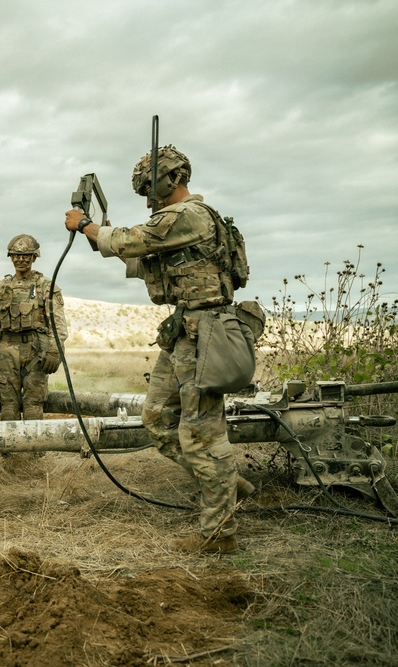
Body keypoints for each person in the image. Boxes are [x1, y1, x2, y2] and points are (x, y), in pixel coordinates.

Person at [64, 145, 256, 554]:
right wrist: (104, 237)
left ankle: (219, 535)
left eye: (150, 186)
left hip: (205, 336)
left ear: (174, 178)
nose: (147, 196)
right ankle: (224, 483)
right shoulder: (179, 224)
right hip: (184, 334)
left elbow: (134, 240)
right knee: (156, 419)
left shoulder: (188, 215)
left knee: (202, 437)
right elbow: (140, 258)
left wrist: (87, 226)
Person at [0, 234, 69, 421]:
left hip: (36, 351)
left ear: (34, 257)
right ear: (11, 257)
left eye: (26, 256)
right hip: (7, 351)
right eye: (16, 255)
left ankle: (32, 441)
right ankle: (8, 440)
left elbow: (58, 323)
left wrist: (54, 350)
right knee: (7, 402)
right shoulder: (0, 287)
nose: (21, 260)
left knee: (34, 402)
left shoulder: (45, 286)